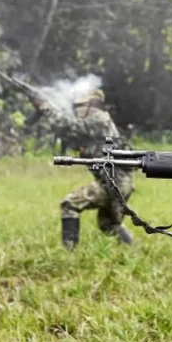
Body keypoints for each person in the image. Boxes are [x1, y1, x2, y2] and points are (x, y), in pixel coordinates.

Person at [37, 89, 135, 249]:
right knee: (109, 224)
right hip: (119, 182)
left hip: (113, 183)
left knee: (69, 204)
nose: (77, 110)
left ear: (91, 105)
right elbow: (67, 132)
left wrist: (46, 108)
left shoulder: (99, 119)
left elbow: (70, 125)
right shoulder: (96, 125)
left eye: (80, 106)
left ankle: (69, 253)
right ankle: (133, 251)